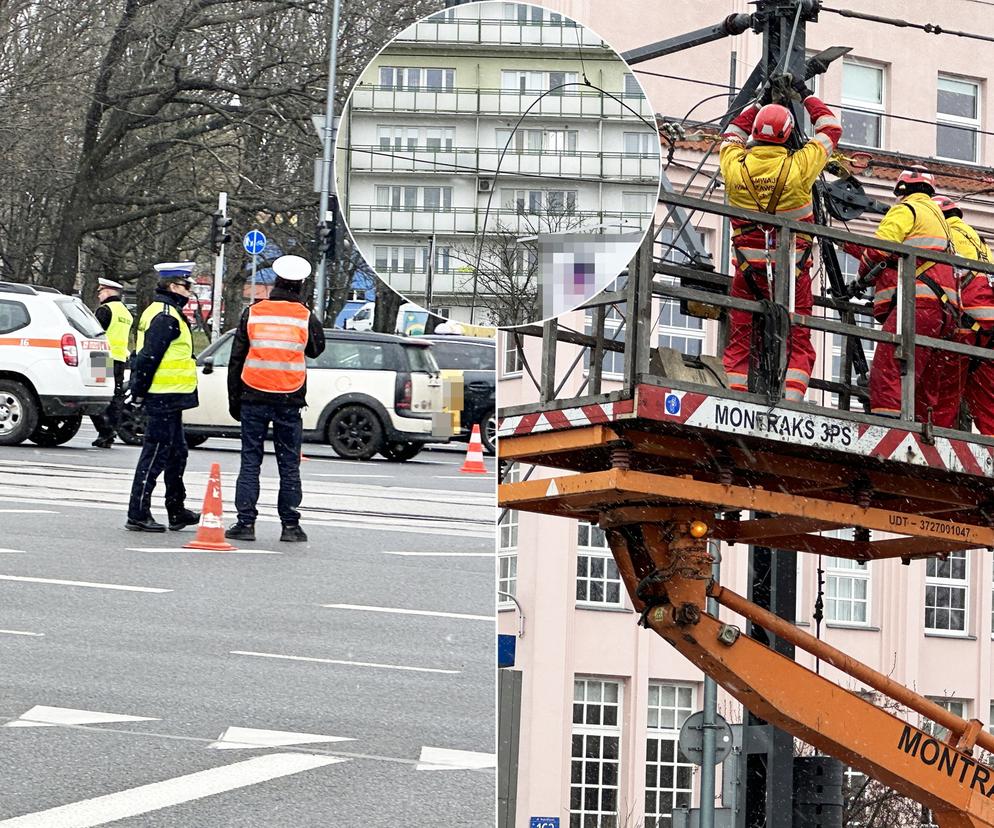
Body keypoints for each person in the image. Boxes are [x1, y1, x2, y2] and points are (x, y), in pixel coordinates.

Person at [719, 80, 842, 401]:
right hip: (793, 272)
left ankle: (736, 395)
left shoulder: (734, 165)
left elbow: (731, 132)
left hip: (748, 271)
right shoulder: (800, 166)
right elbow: (831, 130)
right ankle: (791, 400)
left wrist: (758, 103)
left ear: (755, 134)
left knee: (740, 337)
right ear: (789, 135)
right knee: (799, 339)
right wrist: (806, 95)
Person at [225, 255, 325, 543]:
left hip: (253, 394)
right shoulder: (305, 317)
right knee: (289, 463)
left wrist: (235, 400)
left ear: (275, 283)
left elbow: (236, 359)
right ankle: (290, 526)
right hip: (289, 398)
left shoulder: (253, 312)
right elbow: (316, 349)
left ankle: (245, 523)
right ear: (301, 285)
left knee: (250, 461)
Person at [844, 168, 958, 420]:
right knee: (922, 379)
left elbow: (878, 251)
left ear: (902, 191)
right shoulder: (938, 219)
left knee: (887, 369)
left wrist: (861, 278)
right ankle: (920, 429)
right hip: (945, 312)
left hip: (919, 303)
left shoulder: (907, 210)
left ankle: (887, 427)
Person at [125, 262, 201, 532]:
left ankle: (176, 509)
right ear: (172, 286)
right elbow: (148, 357)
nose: (190, 291)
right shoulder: (166, 315)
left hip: (172, 396)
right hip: (162, 395)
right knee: (156, 453)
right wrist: (139, 392)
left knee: (176, 453)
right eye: (186, 286)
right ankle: (138, 512)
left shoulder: (166, 312)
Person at [930, 195, 994, 433]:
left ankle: (934, 442)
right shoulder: (978, 241)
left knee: (943, 392)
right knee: (988, 403)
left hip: (966, 324)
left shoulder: (942, 235)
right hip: (989, 331)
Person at [90, 278, 133, 448]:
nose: (99, 295)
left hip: (102, 357)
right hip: (120, 358)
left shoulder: (105, 310)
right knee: (115, 397)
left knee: (96, 395)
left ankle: (105, 430)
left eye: (100, 292)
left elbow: (94, 333)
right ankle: (110, 430)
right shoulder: (125, 312)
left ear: (108, 291)